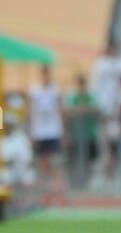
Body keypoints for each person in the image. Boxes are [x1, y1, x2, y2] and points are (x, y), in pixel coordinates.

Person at [91, 37, 121, 182]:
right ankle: (108, 169)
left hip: (120, 108)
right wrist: (98, 104)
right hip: (106, 107)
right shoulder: (101, 65)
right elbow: (96, 86)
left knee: (118, 141)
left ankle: (116, 171)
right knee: (107, 140)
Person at [28, 65, 64, 202]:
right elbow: (32, 113)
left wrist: (62, 132)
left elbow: (60, 111)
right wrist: (33, 132)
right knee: (43, 167)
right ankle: (46, 195)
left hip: (53, 132)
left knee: (55, 164)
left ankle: (59, 194)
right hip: (40, 133)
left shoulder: (55, 90)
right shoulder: (35, 91)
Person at [64, 75, 99, 189]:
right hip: (76, 134)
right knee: (75, 159)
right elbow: (69, 111)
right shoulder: (74, 98)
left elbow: (95, 109)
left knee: (89, 159)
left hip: (89, 133)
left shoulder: (90, 97)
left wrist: (83, 109)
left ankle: (87, 182)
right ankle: (76, 182)